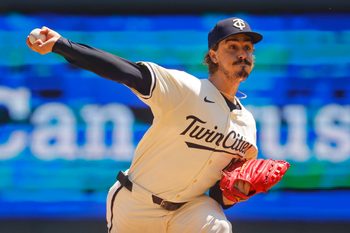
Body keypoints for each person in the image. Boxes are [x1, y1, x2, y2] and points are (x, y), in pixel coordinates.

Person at [26, 17, 263, 233]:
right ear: (213, 55)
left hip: (189, 209)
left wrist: (236, 192)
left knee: (219, 227)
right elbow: (126, 71)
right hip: (137, 202)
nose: (242, 54)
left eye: (247, 48)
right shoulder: (187, 90)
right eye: (232, 46)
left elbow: (218, 195)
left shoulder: (247, 126)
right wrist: (61, 45)